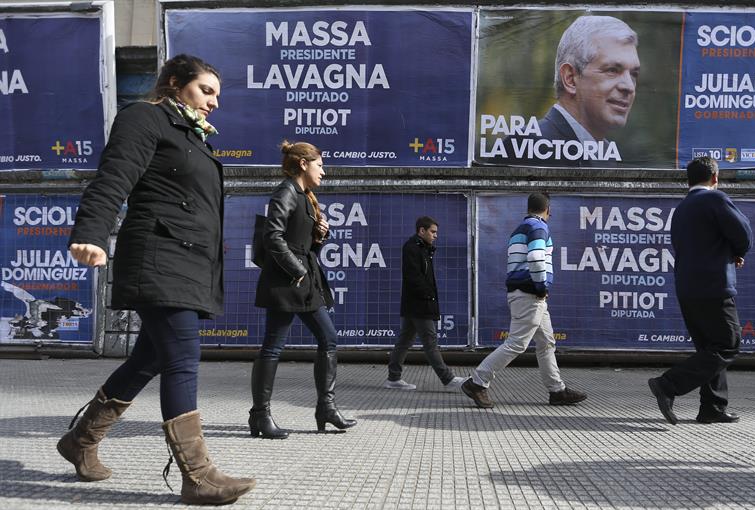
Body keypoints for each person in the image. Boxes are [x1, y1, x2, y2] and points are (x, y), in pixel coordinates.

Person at [58, 54, 255, 505]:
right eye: (206, 90)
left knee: (148, 359)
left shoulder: (191, 135)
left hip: (186, 262)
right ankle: (198, 475)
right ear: (173, 84)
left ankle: (80, 441)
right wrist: (90, 233)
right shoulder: (145, 117)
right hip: (158, 257)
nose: (214, 103)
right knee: (183, 356)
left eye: (217, 95)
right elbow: (113, 178)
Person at [249, 141, 356, 439]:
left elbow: (302, 242)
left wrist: (319, 237)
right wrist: (297, 270)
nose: (324, 171)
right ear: (304, 164)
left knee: (329, 338)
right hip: (287, 282)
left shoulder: (306, 196)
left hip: (304, 281)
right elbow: (273, 237)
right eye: (320, 165)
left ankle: (326, 408)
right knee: (273, 347)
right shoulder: (286, 191)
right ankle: (260, 415)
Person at [648, 157, 752, 425]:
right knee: (728, 344)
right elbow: (743, 234)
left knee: (709, 348)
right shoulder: (714, 200)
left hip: (687, 288)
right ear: (715, 178)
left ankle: (712, 407)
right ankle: (668, 384)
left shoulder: (681, 208)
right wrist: (737, 252)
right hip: (714, 285)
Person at [461, 192, 587, 408]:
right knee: (517, 343)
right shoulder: (539, 227)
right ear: (548, 209)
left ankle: (557, 391)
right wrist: (541, 286)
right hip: (531, 293)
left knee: (546, 342)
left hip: (527, 292)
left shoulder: (521, 228)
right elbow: (537, 257)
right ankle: (477, 382)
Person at [503, 15, 639, 167]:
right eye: (612, 70)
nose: (629, 86)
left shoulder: (607, 155)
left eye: (634, 74)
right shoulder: (528, 146)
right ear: (570, 78)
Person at [382, 217, 466, 391]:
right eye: (432, 232)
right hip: (419, 305)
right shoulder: (412, 248)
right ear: (422, 231)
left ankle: (393, 378)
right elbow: (414, 278)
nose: (435, 236)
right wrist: (428, 295)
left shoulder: (423, 248)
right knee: (430, 342)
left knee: (405, 340)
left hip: (416, 304)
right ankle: (448, 380)